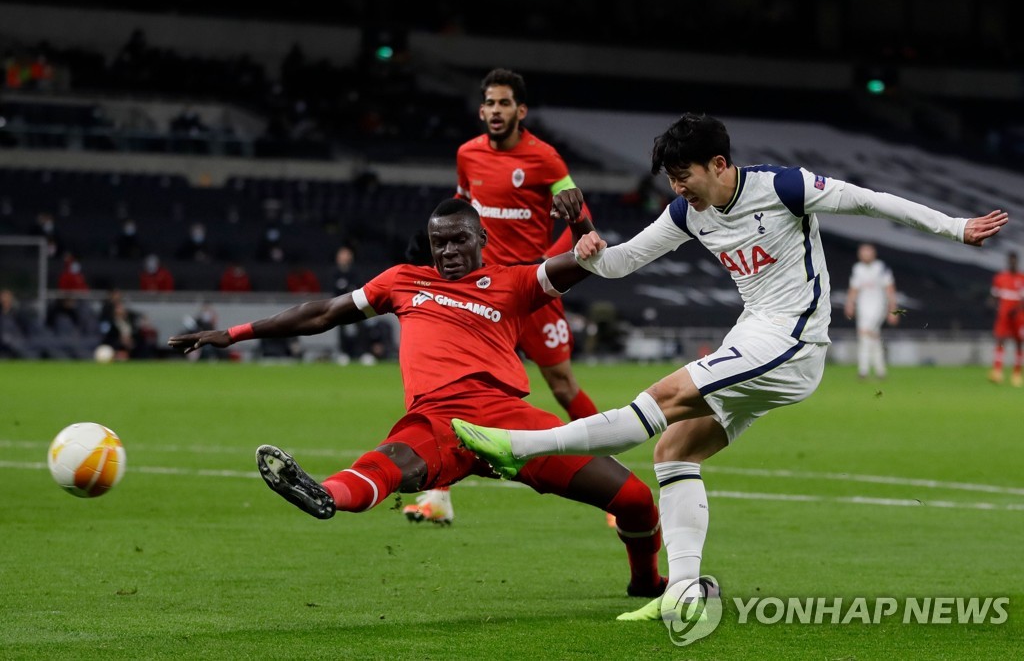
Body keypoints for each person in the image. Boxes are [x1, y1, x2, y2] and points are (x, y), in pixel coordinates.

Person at [452, 113, 1009, 621]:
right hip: (754, 335)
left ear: (719, 164)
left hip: (794, 340)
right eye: (669, 178)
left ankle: (517, 447)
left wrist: (954, 228)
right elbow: (619, 264)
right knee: (674, 451)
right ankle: (685, 594)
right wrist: (584, 241)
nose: (676, 187)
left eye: (683, 174)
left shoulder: (785, 188)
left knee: (659, 401)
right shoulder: (687, 212)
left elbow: (868, 201)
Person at [167, 199, 666, 597]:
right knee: (389, 464)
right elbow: (323, 313)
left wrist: (580, 222)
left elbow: (587, 259)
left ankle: (645, 581)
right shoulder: (403, 281)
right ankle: (325, 494)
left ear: (482, 238)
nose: (446, 252)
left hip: (510, 421)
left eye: (457, 241)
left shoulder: (513, 282)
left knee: (636, 500)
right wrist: (232, 334)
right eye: (438, 243)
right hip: (438, 419)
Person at [403, 68, 602, 525]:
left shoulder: (545, 159)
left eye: (504, 104)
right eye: (489, 104)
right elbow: (460, 206)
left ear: (521, 110)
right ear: (481, 110)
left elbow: (582, 218)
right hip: (477, 295)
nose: (496, 111)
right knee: (449, 390)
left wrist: (541, 272)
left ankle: (606, 474)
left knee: (563, 386)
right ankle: (437, 498)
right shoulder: (467, 155)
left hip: (528, 293)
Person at [844, 243, 898, 379]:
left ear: (873, 253)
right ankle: (880, 371)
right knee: (872, 338)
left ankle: (863, 370)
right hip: (863, 308)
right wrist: (849, 304)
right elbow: (854, 289)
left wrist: (893, 309)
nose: (865, 255)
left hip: (878, 307)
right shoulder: (858, 269)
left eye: (867, 252)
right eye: (862, 252)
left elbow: (890, 289)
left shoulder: (881, 267)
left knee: (865, 335)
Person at [989, 252, 1024, 386]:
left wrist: (1017, 309)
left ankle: (1016, 374)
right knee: (1000, 340)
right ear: (1008, 261)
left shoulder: (1022, 278)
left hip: (1019, 316)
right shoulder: (1000, 278)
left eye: (1014, 261)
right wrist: (990, 305)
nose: (1012, 263)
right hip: (1004, 315)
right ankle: (997, 372)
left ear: (1017, 262)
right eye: (1010, 260)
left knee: (1019, 343)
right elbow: (994, 295)